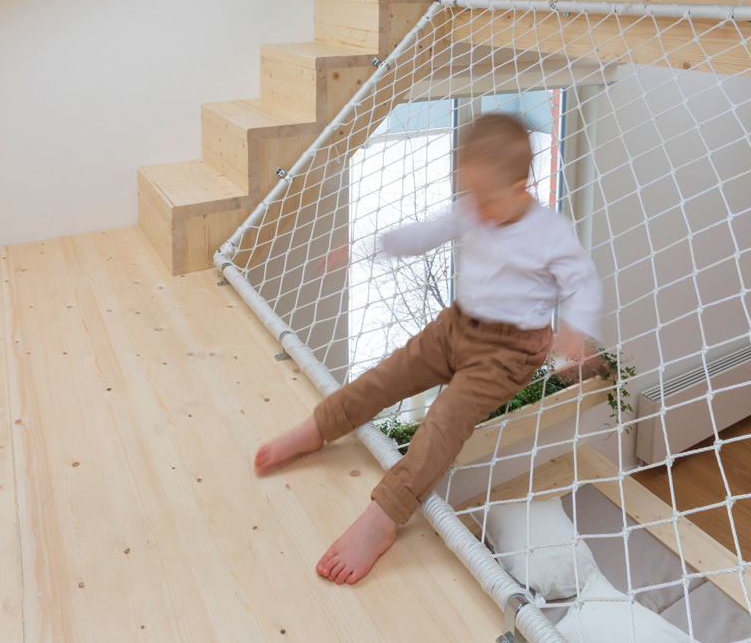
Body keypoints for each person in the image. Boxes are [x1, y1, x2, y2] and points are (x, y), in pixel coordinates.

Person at [254, 112, 603, 585]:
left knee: (443, 421)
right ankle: (320, 426)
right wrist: (363, 247)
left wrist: (574, 331)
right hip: (456, 326)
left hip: (510, 352)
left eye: (486, 198)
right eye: (469, 195)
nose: (474, 210)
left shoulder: (549, 231)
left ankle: (382, 519)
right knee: (387, 375)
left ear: (523, 186)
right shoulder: (475, 207)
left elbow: (582, 284)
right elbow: (423, 234)